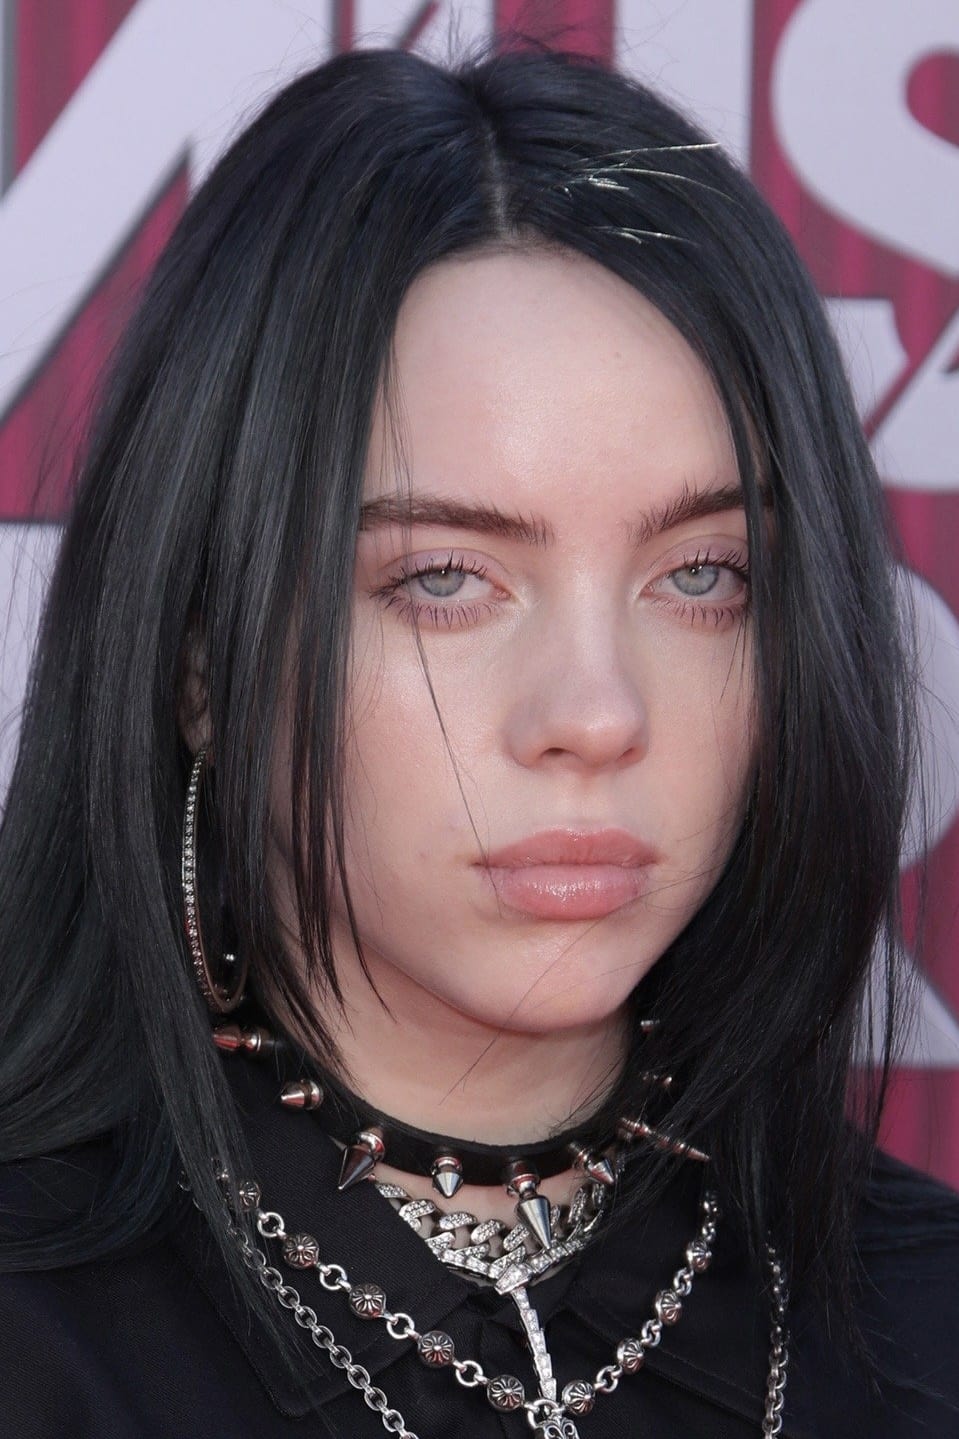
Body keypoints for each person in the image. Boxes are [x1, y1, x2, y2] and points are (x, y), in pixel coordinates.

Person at [0, 41, 956, 1439]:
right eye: (445, 580)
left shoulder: (921, 1323)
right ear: (201, 660)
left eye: (702, 576)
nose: (596, 716)